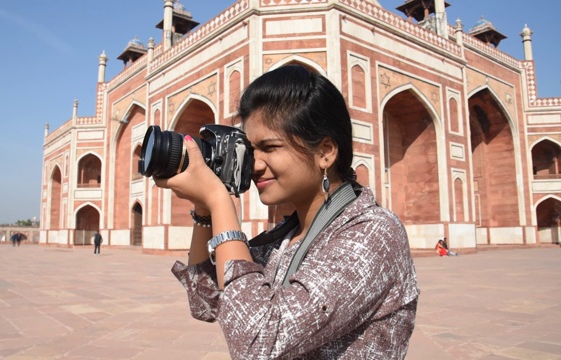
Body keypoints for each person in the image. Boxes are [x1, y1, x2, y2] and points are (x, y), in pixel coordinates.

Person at [158, 66, 420, 359]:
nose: (255, 165)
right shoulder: (284, 238)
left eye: (269, 147)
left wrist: (220, 201)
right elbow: (205, 301)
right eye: (251, 150)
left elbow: (257, 342)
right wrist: (205, 210)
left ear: (325, 152)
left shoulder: (374, 233)